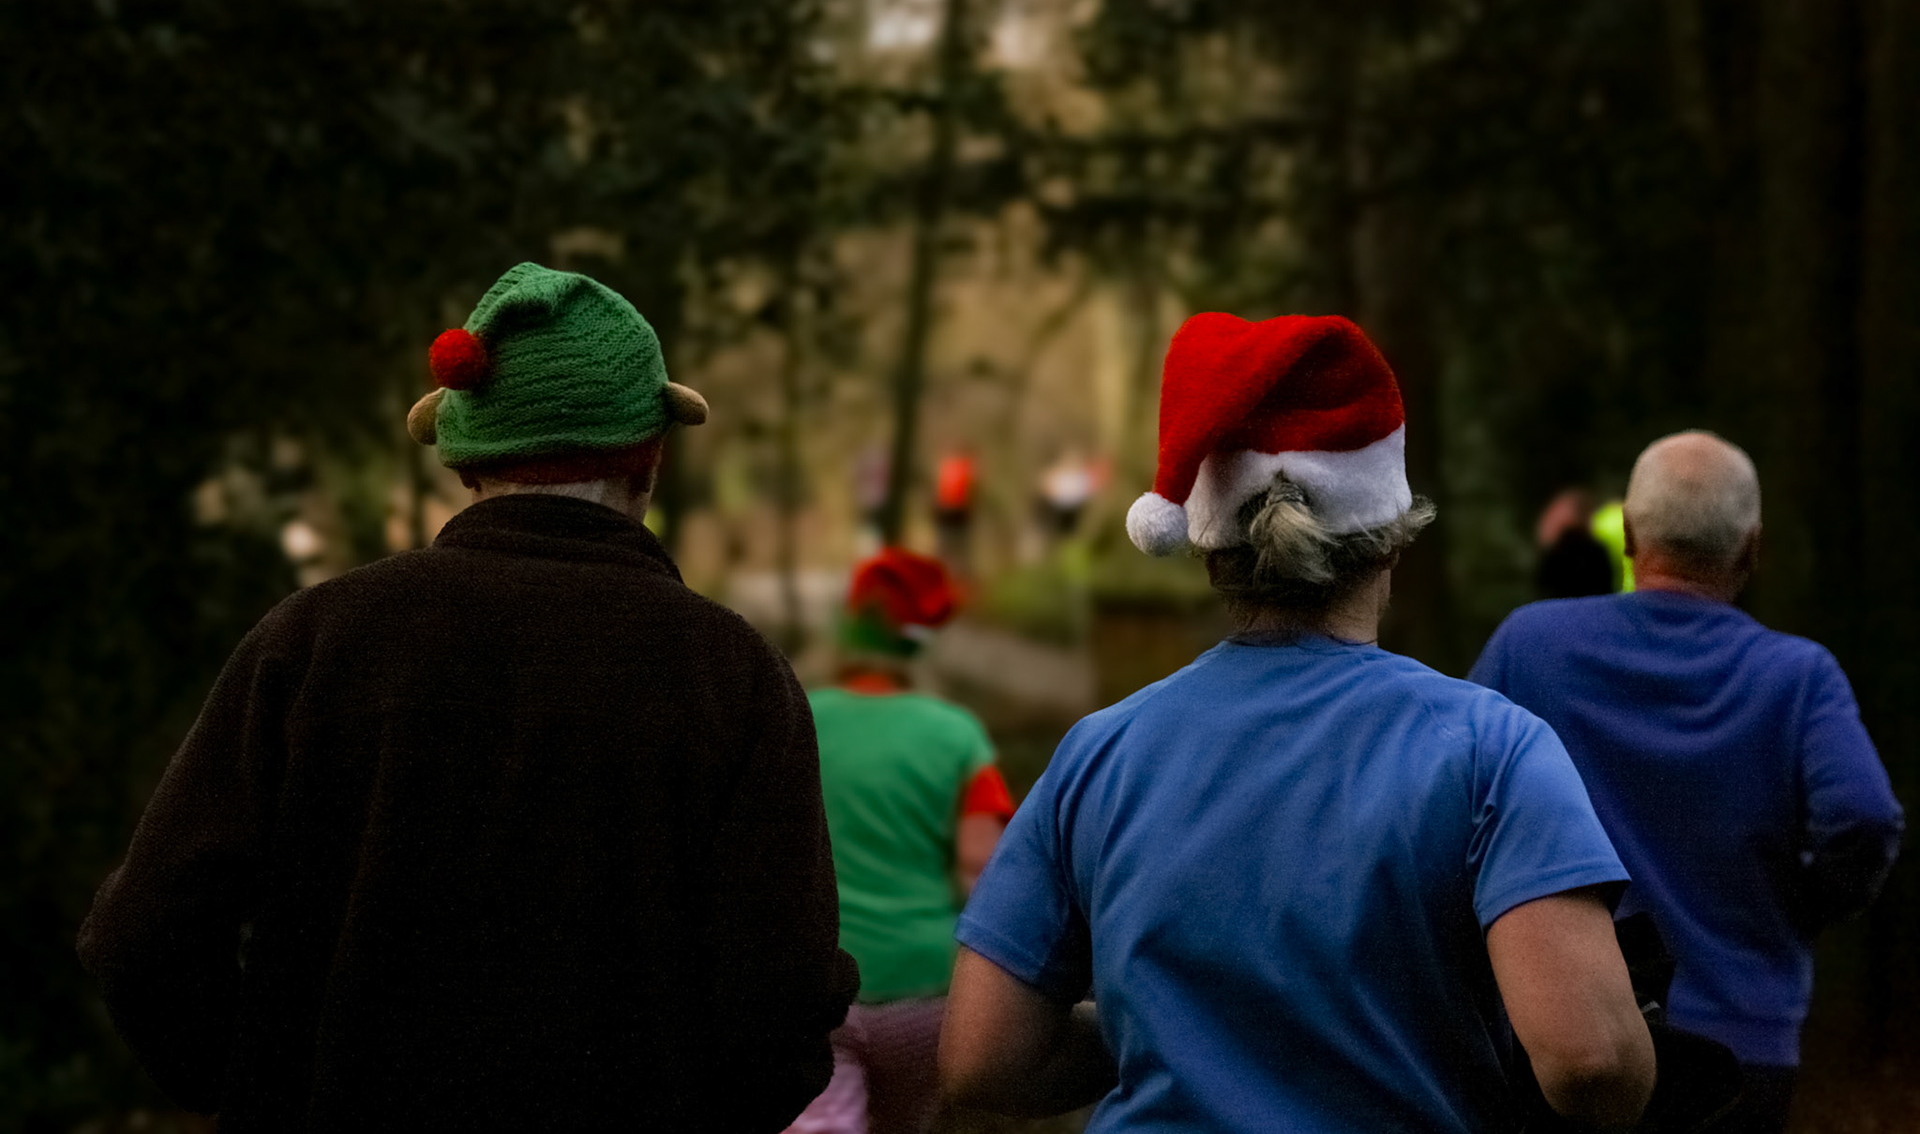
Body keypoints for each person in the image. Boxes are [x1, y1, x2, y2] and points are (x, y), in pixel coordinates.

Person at [77, 263, 858, 1131]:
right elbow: (783, 983)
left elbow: (141, 935)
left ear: (464, 461)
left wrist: (261, 1090)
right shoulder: (731, 672)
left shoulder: (313, 641)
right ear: (650, 459)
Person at [941, 313, 1656, 1133]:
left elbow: (981, 1057)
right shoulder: (1492, 748)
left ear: (1213, 554)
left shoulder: (1098, 754)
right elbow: (1589, 1059)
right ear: (1391, 540)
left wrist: (1168, 1034)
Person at [1471, 430, 1904, 1133]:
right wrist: (1803, 904)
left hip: (1568, 1037)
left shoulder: (1530, 646)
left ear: (1631, 537)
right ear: (1752, 547)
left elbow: (1457, 807)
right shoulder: (1799, 676)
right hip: (1743, 1039)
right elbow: (1863, 816)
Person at [788, 547, 1014, 1134]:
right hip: (924, 989)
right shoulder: (958, 736)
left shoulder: (798, 720)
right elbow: (980, 867)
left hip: (817, 988)